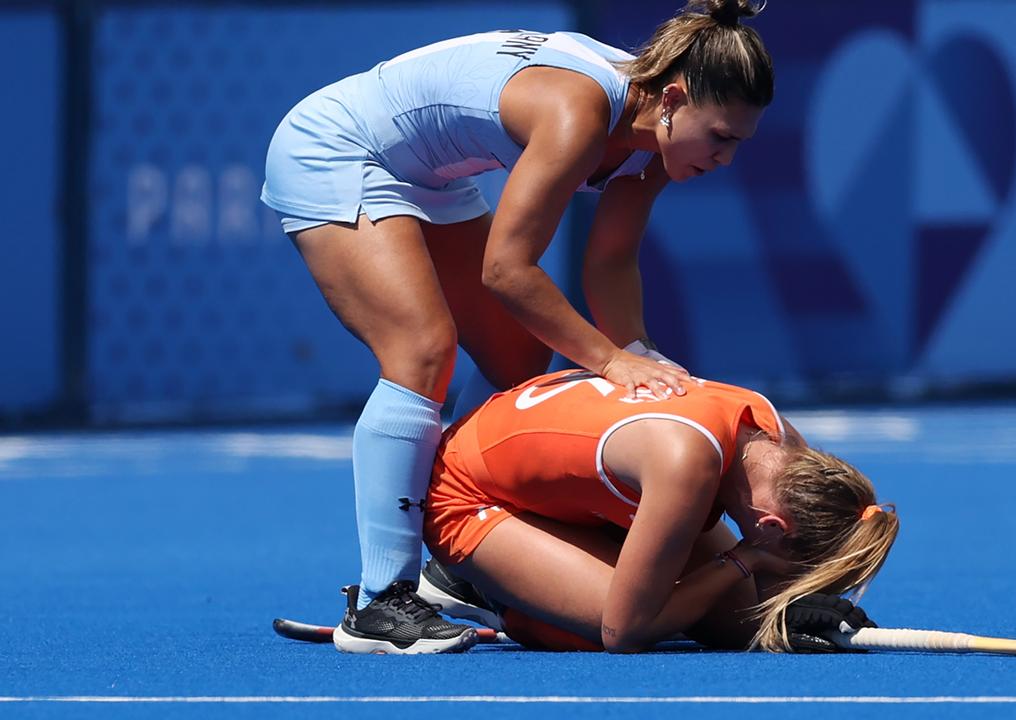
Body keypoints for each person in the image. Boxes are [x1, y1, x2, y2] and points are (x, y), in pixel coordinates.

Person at [260, 0, 773, 653]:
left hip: (426, 176)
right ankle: (383, 604)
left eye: (740, 143)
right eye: (722, 137)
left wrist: (641, 356)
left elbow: (611, 263)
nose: (726, 158)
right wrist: (614, 364)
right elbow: (507, 271)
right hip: (335, 147)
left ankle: (454, 566)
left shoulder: (654, 145)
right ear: (672, 99)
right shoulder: (579, 112)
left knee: (520, 353)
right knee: (421, 352)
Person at [417, 369, 900, 652]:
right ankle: (482, 587)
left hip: (564, 491)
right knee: (628, 624)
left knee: (730, 623)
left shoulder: (781, 441)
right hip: (465, 492)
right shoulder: (687, 468)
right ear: (772, 527)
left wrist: (786, 615)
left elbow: (744, 618)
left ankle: (532, 567)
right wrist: (744, 561)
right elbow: (623, 631)